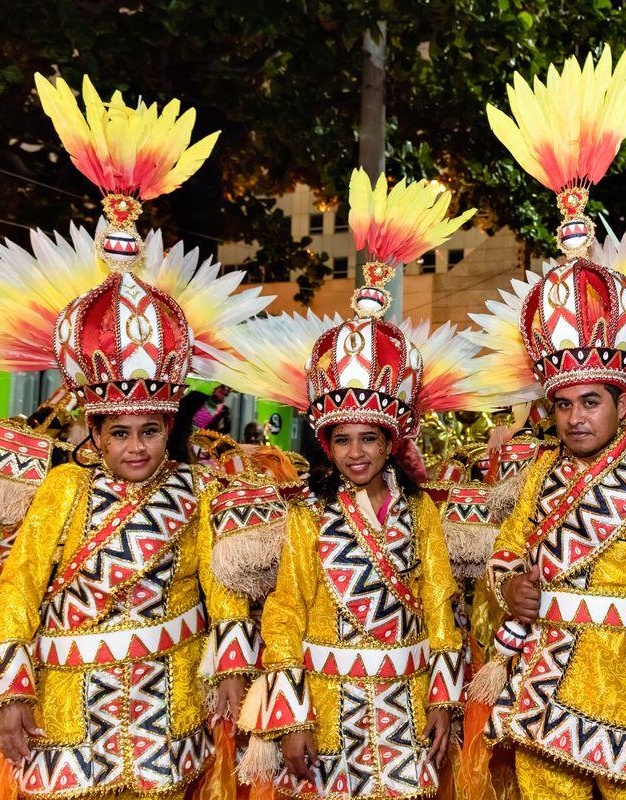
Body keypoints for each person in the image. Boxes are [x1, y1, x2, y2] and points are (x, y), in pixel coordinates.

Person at [0, 71, 277, 799]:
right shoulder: (63, 487)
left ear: (170, 428)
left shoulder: (198, 490)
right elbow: (20, 591)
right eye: (120, 431)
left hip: (171, 709)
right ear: (94, 433)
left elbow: (222, 591)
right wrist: (8, 695)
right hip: (68, 715)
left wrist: (231, 668)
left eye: (151, 431)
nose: (136, 446)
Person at [458, 44, 626, 800]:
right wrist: (510, 592)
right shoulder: (537, 473)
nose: (573, 415)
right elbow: (505, 557)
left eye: (589, 400)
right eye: (561, 403)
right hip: (539, 686)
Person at [221, 168, 491, 798]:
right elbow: (285, 613)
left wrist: (443, 700)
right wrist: (288, 713)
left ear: (392, 441)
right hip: (328, 710)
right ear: (326, 446)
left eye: (370, 437)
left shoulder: (420, 511)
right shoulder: (308, 515)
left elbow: (440, 607)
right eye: (342, 439)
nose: (357, 451)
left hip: (405, 704)